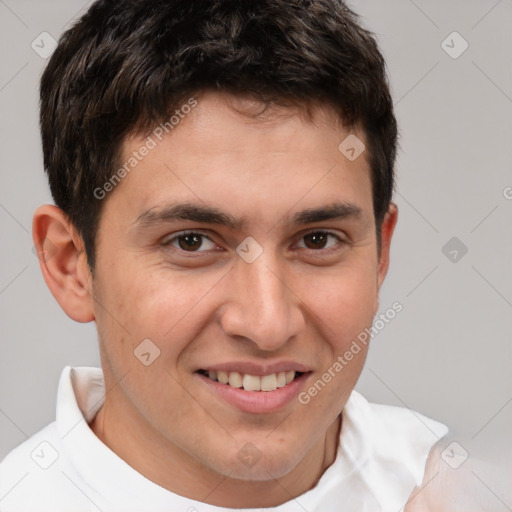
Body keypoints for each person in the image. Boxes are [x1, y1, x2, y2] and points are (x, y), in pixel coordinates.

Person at [0, 0, 451, 510]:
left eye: (318, 240)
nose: (267, 324)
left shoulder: (460, 486)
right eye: (191, 241)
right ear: (70, 266)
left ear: (380, 253)